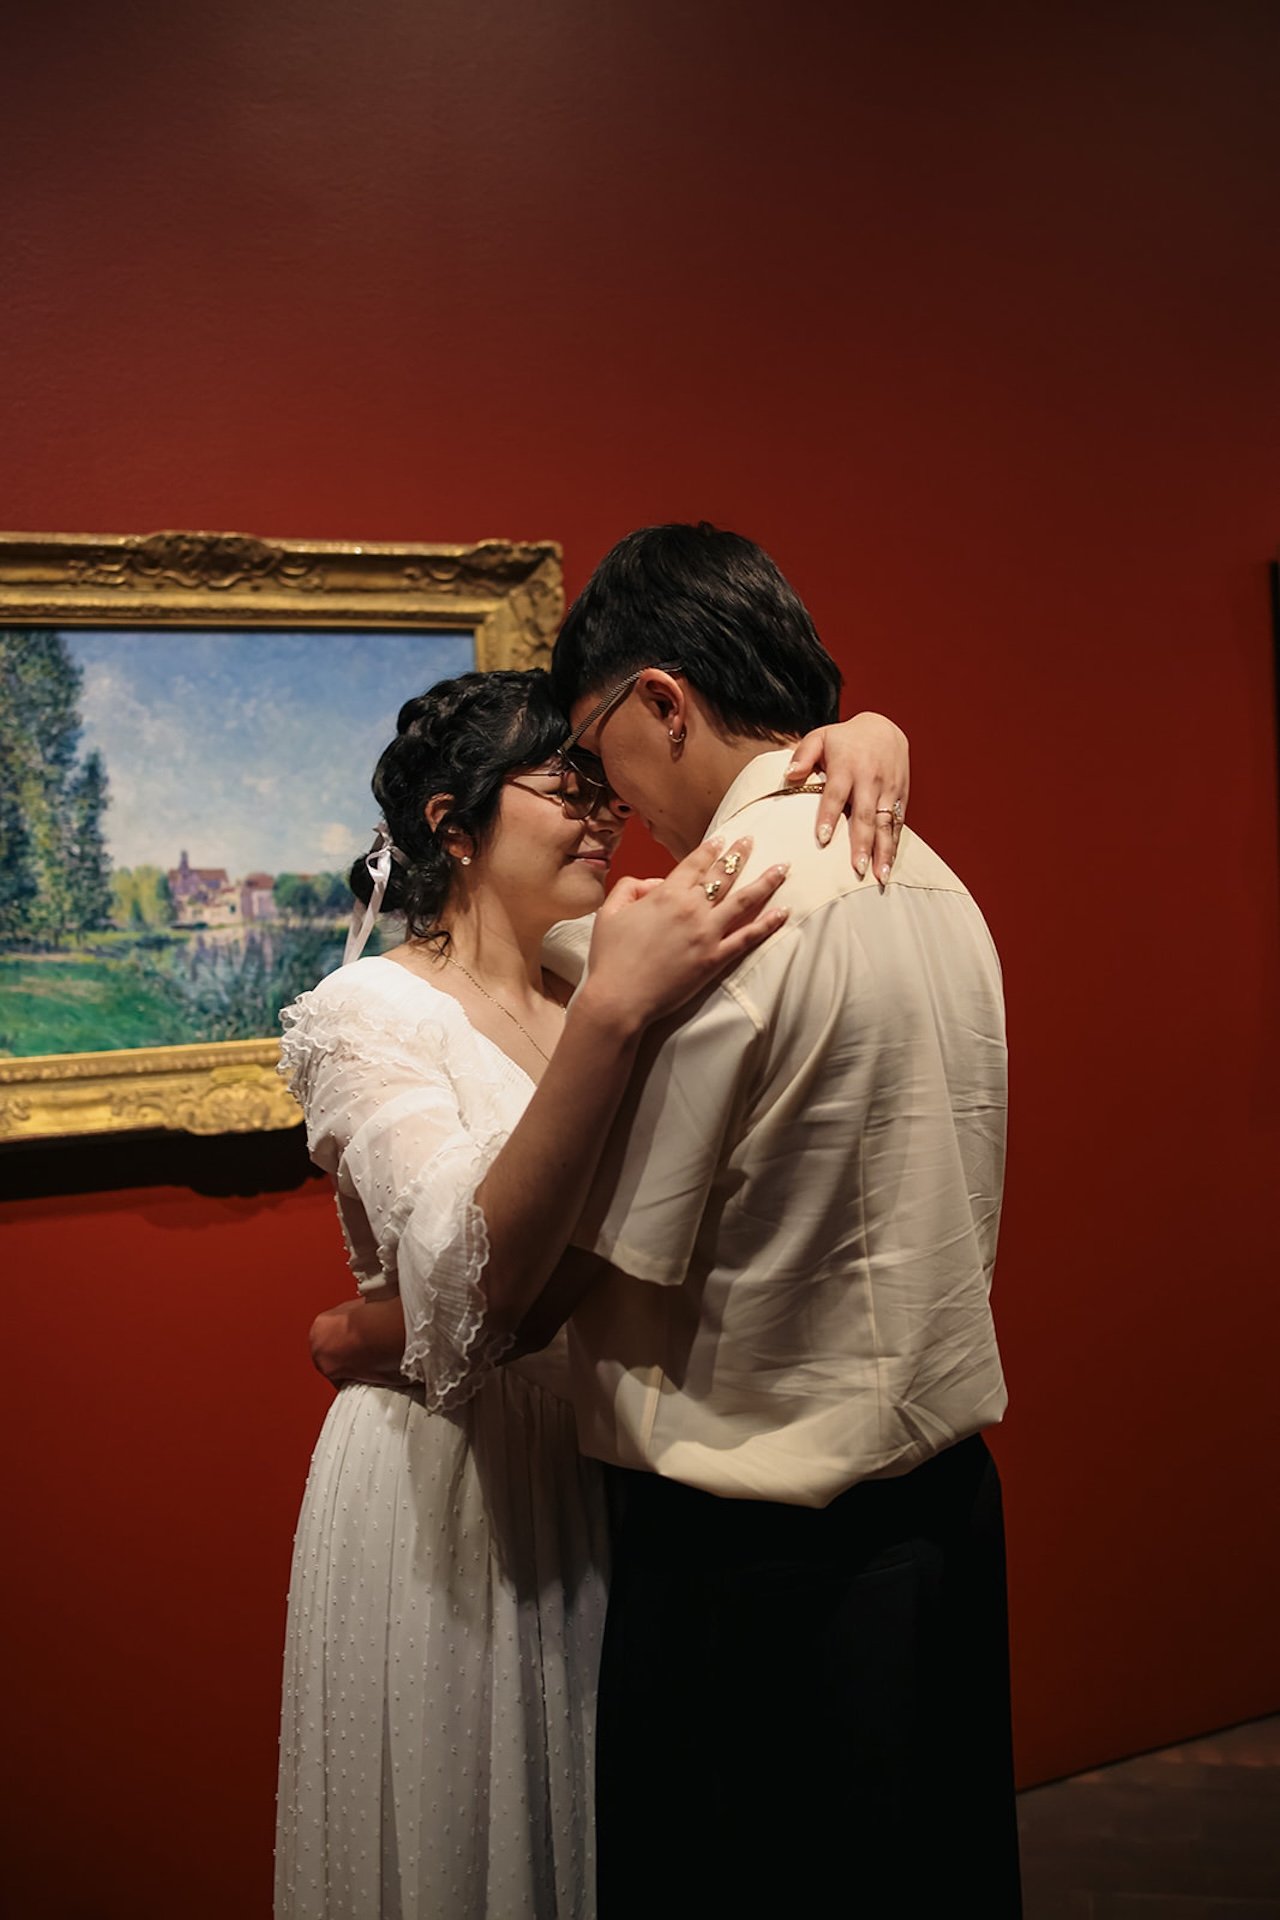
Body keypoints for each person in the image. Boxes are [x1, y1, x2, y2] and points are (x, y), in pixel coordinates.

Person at [274, 664, 911, 1920]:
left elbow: (762, 792)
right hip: (455, 1483)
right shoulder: (370, 1012)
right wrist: (387, 1328)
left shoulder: (601, 970)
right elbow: (464, 1300)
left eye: (598, 784)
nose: (597, 812)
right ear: (451, 826)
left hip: (620, 1455)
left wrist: (865, 733)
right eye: (559, 786)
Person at [545, 523, 1021, 1919]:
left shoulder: (722, 914)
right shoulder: (939, 881)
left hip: (753, 1561)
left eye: (599, 748)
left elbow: (598, 1255)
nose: (610, 800)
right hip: (944, 1518)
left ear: (660, 701)